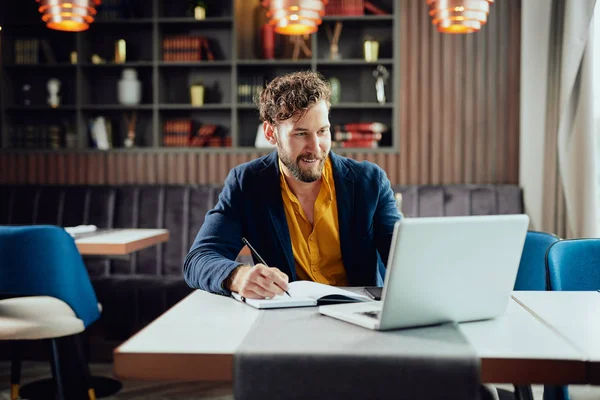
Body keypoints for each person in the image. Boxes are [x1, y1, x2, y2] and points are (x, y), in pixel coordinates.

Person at [183, 70, 402, 299]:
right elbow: (198, 259)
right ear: (271, 133)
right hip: (285, 316)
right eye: (301, 134)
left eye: (322, 131)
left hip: (358, 316)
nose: (315, 147)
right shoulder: (247, 183)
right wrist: (237, 276)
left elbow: (403, 259)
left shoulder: (369, 181)